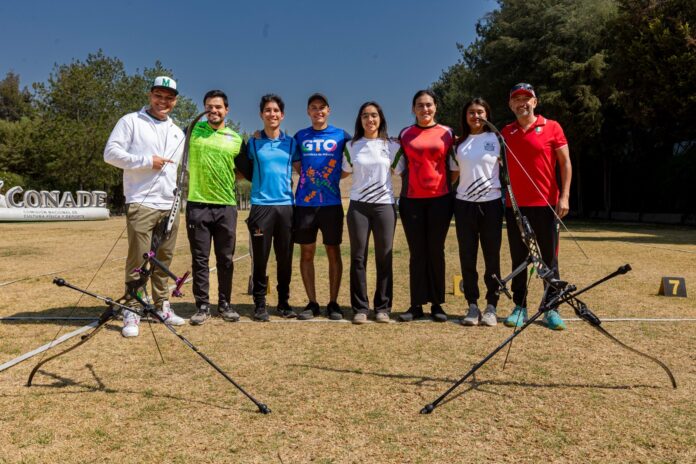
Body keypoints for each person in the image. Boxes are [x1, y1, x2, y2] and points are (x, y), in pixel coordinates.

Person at [104, 76, 186, 337]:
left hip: (169, 204)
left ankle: (162, 305)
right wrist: (145, 161)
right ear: (150, 95)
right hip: (141, 201)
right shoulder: (131, 121)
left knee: (164, 259)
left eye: (169, 97)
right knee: (139, 259)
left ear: (175, 101)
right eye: (158, 96)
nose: (163, 101)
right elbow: (111, 154)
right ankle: (133, 308)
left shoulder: (177, 130)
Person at [501, 83, 572, 331]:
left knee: (548, 258)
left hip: (546, 205)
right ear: (510, 105)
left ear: (535, 102)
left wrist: (564, 196)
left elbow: (565, 164)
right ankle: (519, 306)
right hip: (516, 207)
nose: (522, 102)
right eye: (516, 99)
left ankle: (551, 307)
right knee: (519, 258)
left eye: (526, 98)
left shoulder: (552, 127)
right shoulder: (505, 133)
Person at [393, 90, 455, 323]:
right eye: (420, 105)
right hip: (412, 202)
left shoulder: (448, 133)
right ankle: (416, 304)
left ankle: (437, 304)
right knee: (417, 253)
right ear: (413, 109)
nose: (425, 109)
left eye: (429, 105)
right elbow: (399, 167)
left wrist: (440, 188)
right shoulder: (405, 134)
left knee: (435, 251)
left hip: (441, 200)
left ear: (435, 107)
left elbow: (454, 168)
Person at [186, 90, 247, 325]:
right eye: (209, 107)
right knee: (200, 259)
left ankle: (225, 304)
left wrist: (226, 179)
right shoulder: (192, 132)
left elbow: (244, 171)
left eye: (218, 107)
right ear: (204, 109)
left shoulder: (235, 138)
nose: (214, 111)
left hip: (225, 206)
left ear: (226, 110)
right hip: (197, 204)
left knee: (225, 258)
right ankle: (202, 306)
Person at [292, 93, 351, 320]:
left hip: (331, 204)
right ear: (308, 111)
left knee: (333, 251)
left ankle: (333, 303)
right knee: (306, 253)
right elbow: (298, 166)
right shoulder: (300, 136)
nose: (318, 111)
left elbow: (350, 162)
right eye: (314, 108)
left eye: (322, 108)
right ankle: (312, 303)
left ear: (329, 111)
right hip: (305, 205)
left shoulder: (341, 136)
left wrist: (332, 179)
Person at [342, 101, 400, 324]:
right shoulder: (351, 146)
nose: (370, 119)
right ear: (360, 120)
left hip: (384, 205)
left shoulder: (392, 145)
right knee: (358, 258)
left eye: (374, 115)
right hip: (358, 207)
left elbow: (404, 170)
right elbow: (343, 173)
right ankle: (360, 307)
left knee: (384, 256)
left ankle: (383, 307)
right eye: (365, 115)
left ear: (381, 118)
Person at [242, 94, 298, 321]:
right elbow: (242, 169)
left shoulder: (292, 143)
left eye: (276, 111)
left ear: (282, 115)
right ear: (261, 115)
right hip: (261, 207)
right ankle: (260, 304)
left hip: (286, 207)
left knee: (285, 258)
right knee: (261, 258)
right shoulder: (253, 143)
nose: (272, 114)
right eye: (267, 110)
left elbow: (303, 170)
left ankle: (283, 303)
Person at [450, 98, 502, 327]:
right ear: (465, 116)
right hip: (464, 205)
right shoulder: (458, 144)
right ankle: (472, 305)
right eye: (471, 112)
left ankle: (492, 305)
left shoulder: (498, 139)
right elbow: (452, 175)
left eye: (480, 112)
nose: (476, 116)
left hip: (491, 204)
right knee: (467, 256)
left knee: (492, 257)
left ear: (487, 114)